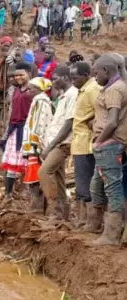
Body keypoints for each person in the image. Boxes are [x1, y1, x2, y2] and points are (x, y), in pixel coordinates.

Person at [88, 55, 127, 245]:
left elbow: (111, 122)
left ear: (107, 71)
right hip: (108, 143)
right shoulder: (115, 87)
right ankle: (95, 224)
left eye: (96, 73)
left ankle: (111, 235)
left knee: (112, 188)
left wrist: (99, 142)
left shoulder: (114, 90)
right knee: (97, 185)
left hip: (109, 144)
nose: (94, 77)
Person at [38, 66, 78, 219]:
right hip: (57, 141)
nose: (53, 81)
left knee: (44, 171)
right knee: (59, 177)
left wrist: (50, 145)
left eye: (55, 78)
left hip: (62, 143)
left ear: (66, 78)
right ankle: (64, 213)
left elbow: (68, 124)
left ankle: (55, 211)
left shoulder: (73, 95)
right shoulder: (63, 96)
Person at [68, 62, 99, 227]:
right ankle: (83, 220)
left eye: (75, 78)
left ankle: (90, 222)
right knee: (81, 183)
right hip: (80, 142)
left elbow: (101, 111)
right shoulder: (84, 90)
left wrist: (93, 124)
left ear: (87, 75)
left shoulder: (92, 90)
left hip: (86, 143)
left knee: (85, 184)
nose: (73, 81)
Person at [0, 63, 34, 202]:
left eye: (21, 75)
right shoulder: (14, 90)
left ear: (29, 74)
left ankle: (27, 193)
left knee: (27, 163)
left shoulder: (33, 91)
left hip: (27, 130)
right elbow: (11, 111)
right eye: (16, 75)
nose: (18, 77)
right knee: (12, 164)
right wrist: (6, 133)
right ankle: (8, 195)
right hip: (14, 129)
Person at [22, 77, 54, 213]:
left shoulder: (40, 102)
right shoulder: (38, 101)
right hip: (34, 145)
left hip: (36, 146)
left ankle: (37, 207)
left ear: (39, 89)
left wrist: (35, 145)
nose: (28, 91)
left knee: (35, 178)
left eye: (31, 88)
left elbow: (39, 125)